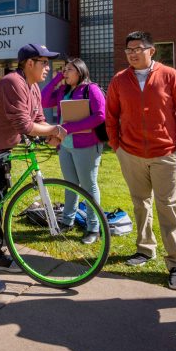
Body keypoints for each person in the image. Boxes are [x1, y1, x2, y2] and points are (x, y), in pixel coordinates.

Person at [0, 43, 69, 293]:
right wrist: (53, 130)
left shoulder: (33, 87)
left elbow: (38, 120)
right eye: (43, 62)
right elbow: (24, 124)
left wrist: (48, 134)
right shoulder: (13, 82)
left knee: (0, 198)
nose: (47, 67)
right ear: (29, 64)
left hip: (0, 148)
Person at [105, 31, 176, 291]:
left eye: (138, 48)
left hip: (166, 153)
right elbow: (111, 114)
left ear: (151, 50)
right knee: (140, 204)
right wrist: (116, 144)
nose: (132, 53)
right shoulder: (120, 80)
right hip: (131, 153)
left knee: (169, 207)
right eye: (128, 50)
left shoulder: (170, 76)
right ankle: (145, 249)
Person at [41, 57, 106, 244]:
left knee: (89, 186)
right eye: (64, 70)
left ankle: (94, 227)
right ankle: (67, 221)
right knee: (70, 184)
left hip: (86, 145)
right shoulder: (63, 89)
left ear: (79, 71)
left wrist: (70, 128)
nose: (65, 73)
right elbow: (44, 100)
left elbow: (100, 116)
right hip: (66, 146)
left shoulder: (90, 89)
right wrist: (56, 79)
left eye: (69, 70)